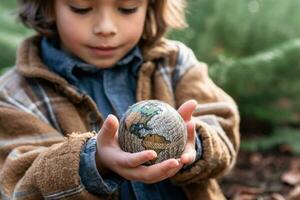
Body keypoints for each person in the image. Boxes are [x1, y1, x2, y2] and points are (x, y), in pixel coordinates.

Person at [0, 0, 240, 199]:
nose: (106, 28)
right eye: (81, 8)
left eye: (127, 8)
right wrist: (93, 161)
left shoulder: (176, 64)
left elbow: (223, 125)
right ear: (48, 6)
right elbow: (17, 182)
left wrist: (195, 143)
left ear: (151, 6)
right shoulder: (16, 94)